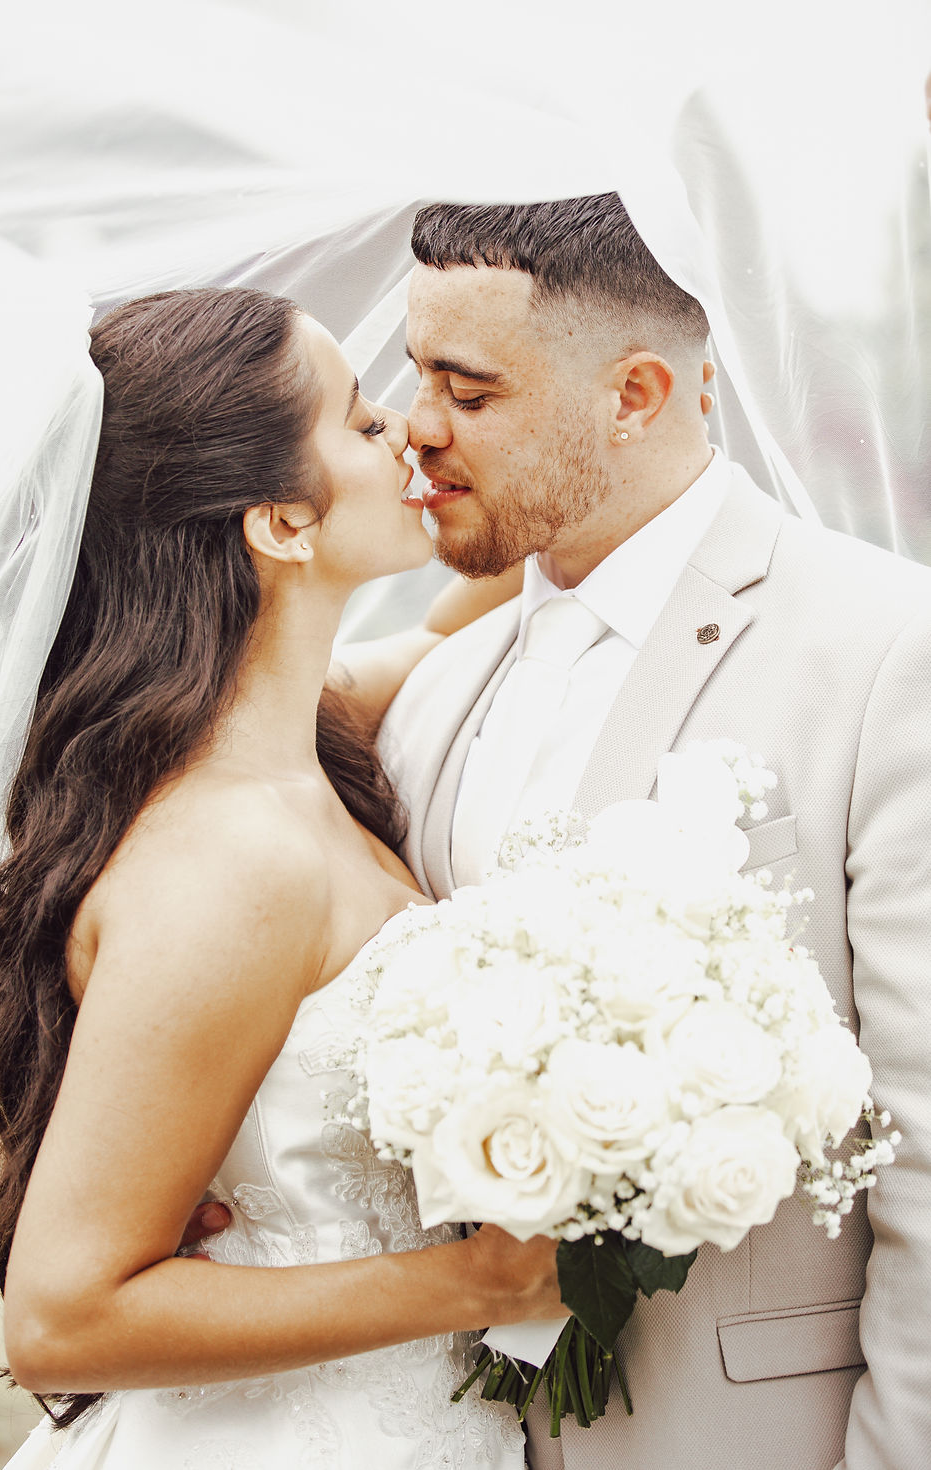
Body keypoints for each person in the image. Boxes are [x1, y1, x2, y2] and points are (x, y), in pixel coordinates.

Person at [370, 196, 931, 1470]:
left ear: (634, 393)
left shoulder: (887, 647)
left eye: (467, 389)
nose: (415, 428)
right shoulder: (432, 695)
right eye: (414, 377)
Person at [0, 285, 564, 1469]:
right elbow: (62, 1317)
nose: (410, 429)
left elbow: (457, 631)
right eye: (360, 420)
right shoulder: (228, 859)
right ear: (281, 524)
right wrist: (482, 1278)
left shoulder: (300, 740)